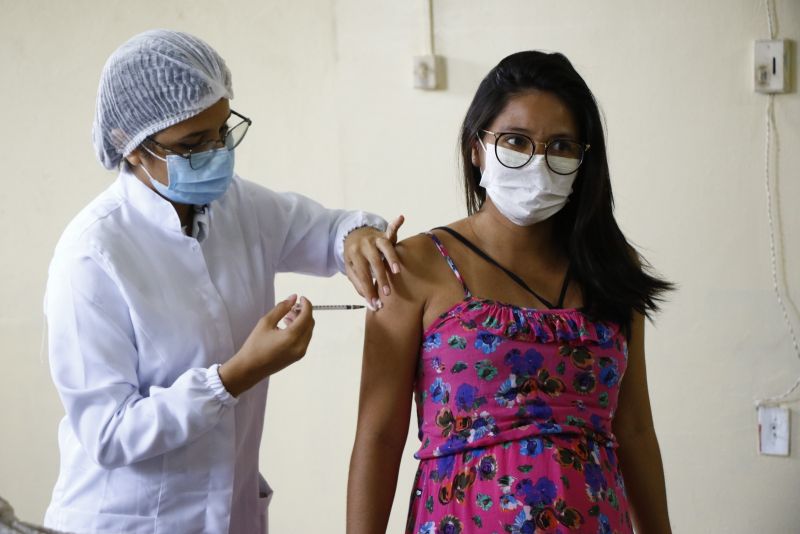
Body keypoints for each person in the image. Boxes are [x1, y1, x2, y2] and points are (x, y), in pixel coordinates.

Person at [44, 29, 402, 534]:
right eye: (193, 144)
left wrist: (357, 235)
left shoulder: (237, 206)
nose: (217, 153)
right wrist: (234, 376)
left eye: (222, 131)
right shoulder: (92, 254)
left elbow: (325, 230)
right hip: (127, 520)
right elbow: (108, 434)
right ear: (131, 148)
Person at [347, 51, 673, 533]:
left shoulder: (611, 269)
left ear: (584, 160)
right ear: (476, 147)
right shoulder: (415, 266)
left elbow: (636, 430)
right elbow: (377, 437)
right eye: (516, 141)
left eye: (560, 146)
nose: (537, 162)